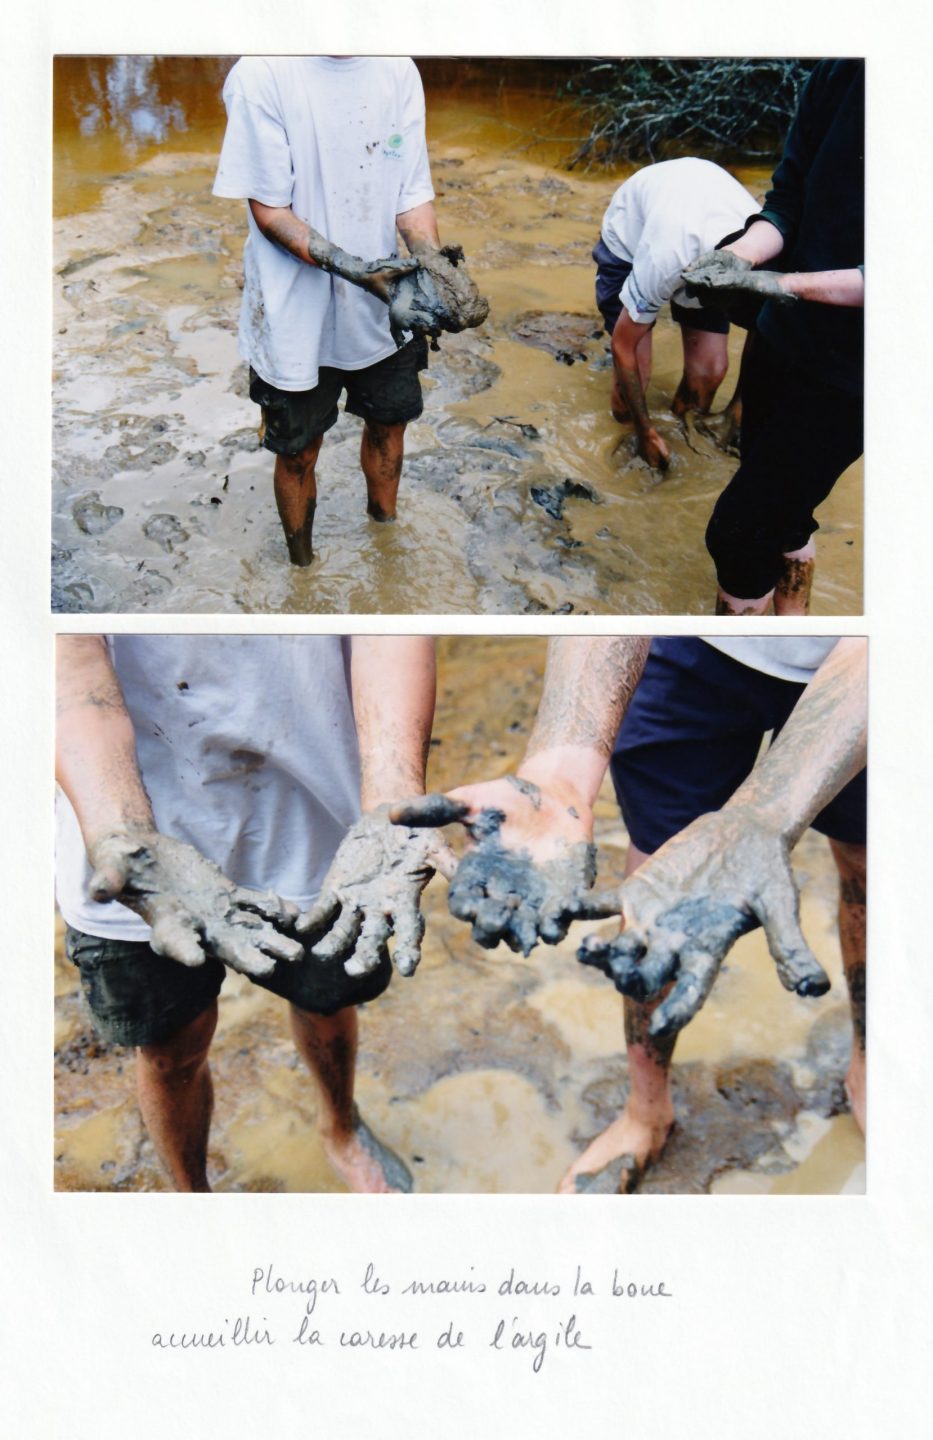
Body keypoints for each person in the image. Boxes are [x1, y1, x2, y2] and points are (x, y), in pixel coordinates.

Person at [393, 636, 866, 1194]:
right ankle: (646, 1111)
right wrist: (558, 774)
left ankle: (867, 1062)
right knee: (655, 884)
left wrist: (765, 815)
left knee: (864, 860)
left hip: (864, 663)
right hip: (696, 653)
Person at [55, 634, 452, 1193]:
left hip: (313, 798)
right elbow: (64, 655)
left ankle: (341, 1126)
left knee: (327, 998)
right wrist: (119, 832)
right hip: (131, 813)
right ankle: (193, 1196)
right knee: (170, 1048)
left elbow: (387, 628)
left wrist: (392, 798)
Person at [213, 57, 443, 567]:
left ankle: (386, 541)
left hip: (387, 307)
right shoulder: (262, 74)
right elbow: (269, 209)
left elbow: (411, 191)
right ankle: (302, 568)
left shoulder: (397, 69)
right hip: (295, 314)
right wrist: (353, 269)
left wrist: (434, 266)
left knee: (390, 425)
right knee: (297, 451)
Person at [682, 60, 864, 614]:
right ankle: (794, 617)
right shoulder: (838, 73)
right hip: (781, 338)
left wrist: (777, 283)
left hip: (856, 374)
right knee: (783, 513)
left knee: (736, 533)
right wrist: (736, 258)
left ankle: (745, 656)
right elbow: (787, 203)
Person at [593, 158, 759, 470]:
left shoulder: (766, 254)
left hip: (708, 231)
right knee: (627, 395)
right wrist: (644, 432)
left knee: (710, 373)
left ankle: (682, 433)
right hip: (632, 238)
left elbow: (763, 328)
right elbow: (623, 346)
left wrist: (739, 407)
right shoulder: (664, 261)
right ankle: (641, 443)